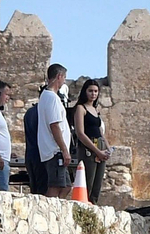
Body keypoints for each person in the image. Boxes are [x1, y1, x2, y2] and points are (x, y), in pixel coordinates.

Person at [35, 64, 74, 199]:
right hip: (55, 151)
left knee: (66, 186)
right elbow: (55, 126)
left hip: (54, 151)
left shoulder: (46, 97)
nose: (64, 81)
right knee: (55, 187)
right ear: (59, 76)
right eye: (64, 78)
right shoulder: (51, 98)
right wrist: (64, 149)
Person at [70, 79, 110, 204]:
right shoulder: (81, 109)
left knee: (97, 184)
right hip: (88, 147)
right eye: (90, 91)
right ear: (85, 92)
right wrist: (97, 151)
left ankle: (94, 206)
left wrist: (108, 148)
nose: (93, 94)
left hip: (100, 145)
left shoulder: (95, 109)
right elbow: (80, 133)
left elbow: (100, 131)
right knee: (88, 181)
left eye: (96, 91)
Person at [22, 101, 46, 195]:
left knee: (34, 188)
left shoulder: (29, 112)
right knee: (43, 189)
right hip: (41, 154)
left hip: (30, 154)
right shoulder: (42, 112)